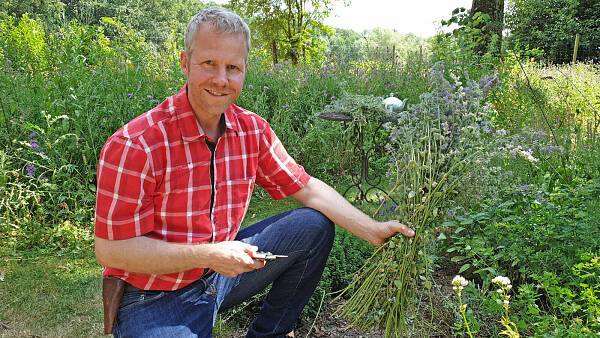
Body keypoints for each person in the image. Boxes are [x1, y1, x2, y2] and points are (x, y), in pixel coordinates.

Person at [94, 6, 414, 338]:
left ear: (245, 70)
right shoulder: (137, 144)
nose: (221, 79)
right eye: (209, 64)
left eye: (232, 67)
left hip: (219, 273)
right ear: (185, 63)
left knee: (312, 226)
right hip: (154, 294)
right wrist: (210, 254)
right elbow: (112, 249)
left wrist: (373, 230)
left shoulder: (252, 131)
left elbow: (307, 188)